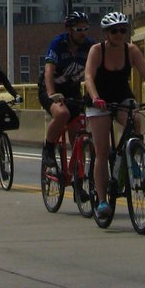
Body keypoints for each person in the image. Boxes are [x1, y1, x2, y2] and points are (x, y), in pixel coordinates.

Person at [83, 11, 145, 218]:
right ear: (106, 33)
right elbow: (88, 77)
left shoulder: (131, 51)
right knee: (102, 152)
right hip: (99, 100)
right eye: (114, 31)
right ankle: (102, 201)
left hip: (121, 97)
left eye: (122, 30)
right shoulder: (97, 50)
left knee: (136, 120)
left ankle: (130, 158)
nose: (119, 34)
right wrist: (95, 98)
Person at [39, 11, 95, 171]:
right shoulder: (58, 43)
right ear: (69, 30)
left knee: (77, 135)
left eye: (86, 29)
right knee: (62, 114)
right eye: (79, 30)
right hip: (50, 88)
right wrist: (51, 94)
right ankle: (48, 149)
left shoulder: (89, 46)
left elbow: (95, 72)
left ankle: (79, 176)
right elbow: (49, 70)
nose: (83, 33)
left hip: (72, 90)